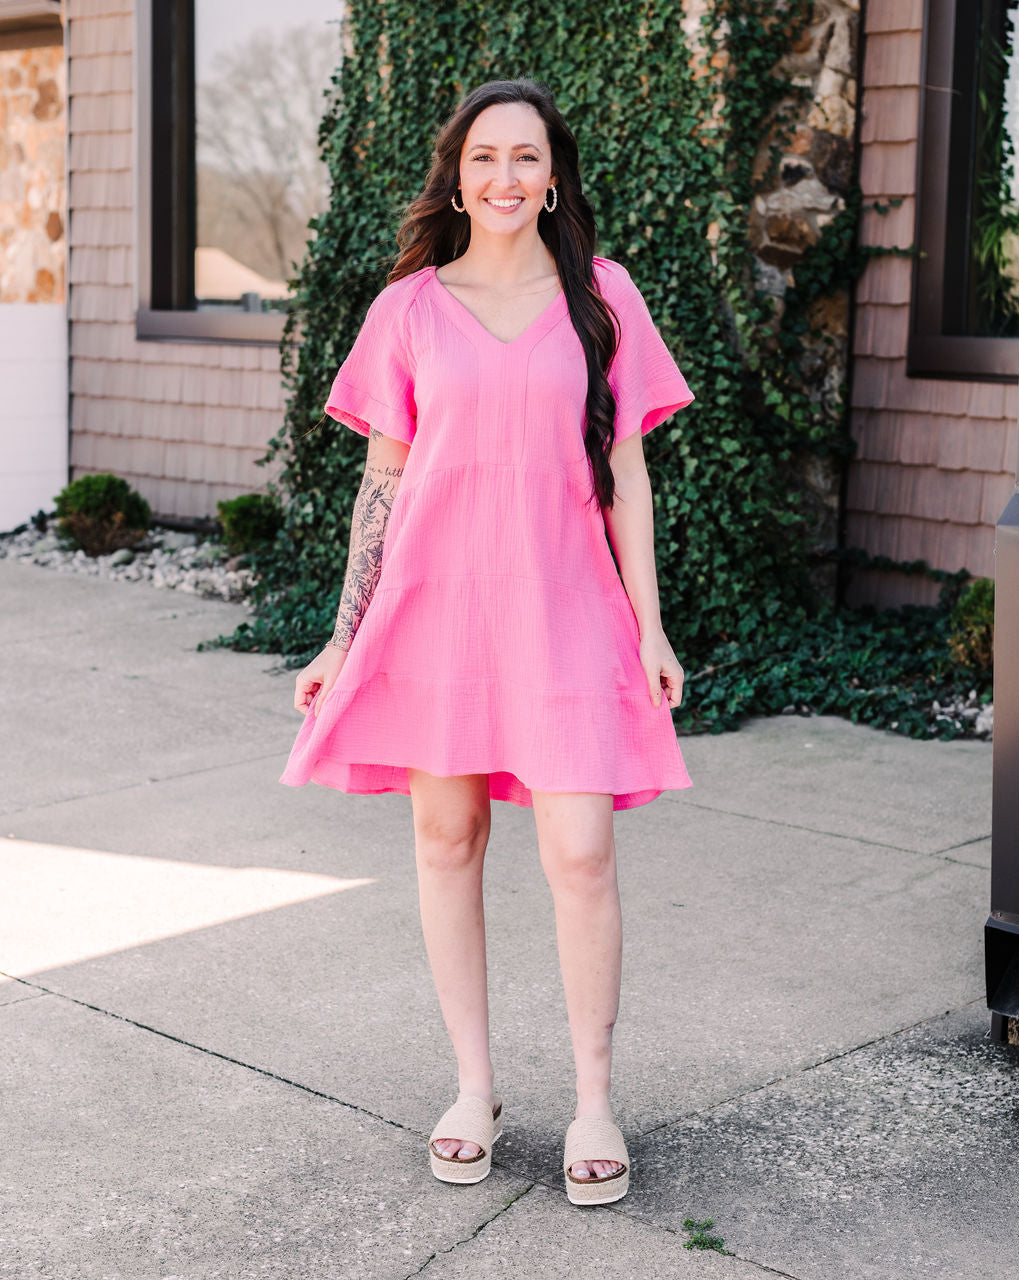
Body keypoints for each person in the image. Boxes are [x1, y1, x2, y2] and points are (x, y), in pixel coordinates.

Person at [281, 77, 695, 1207]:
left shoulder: (601, 296)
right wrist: (339, 632)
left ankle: (594, 1100)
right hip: (435, 611)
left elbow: (625, 473)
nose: (503, 176)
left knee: (580, 853)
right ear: (455, 180)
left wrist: (651, 625)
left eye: (524, 157)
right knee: (447, 839)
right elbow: (383, 480)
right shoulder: (409, 308)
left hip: (565, 608)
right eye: (481, 158)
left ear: (552, 174)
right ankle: (472, 1086)